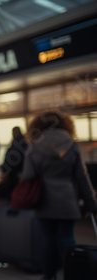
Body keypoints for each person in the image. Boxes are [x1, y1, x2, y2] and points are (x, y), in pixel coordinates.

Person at [21, 110, 97, 280]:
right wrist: (91, 203)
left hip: (44, 200)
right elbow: (82, 177)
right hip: (68, 200)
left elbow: (28, 175)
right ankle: (74, 274)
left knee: (48, 238)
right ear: (65, 124)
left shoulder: (35, 146)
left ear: (39, 125)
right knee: (67, 237)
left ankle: (49, 275)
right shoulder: (72, 145)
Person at [0, 126, 28, 205]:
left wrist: (5, 171)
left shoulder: (15, 145)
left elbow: (10, 161)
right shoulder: (24, 143)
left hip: (13, 175)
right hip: (21, 174)